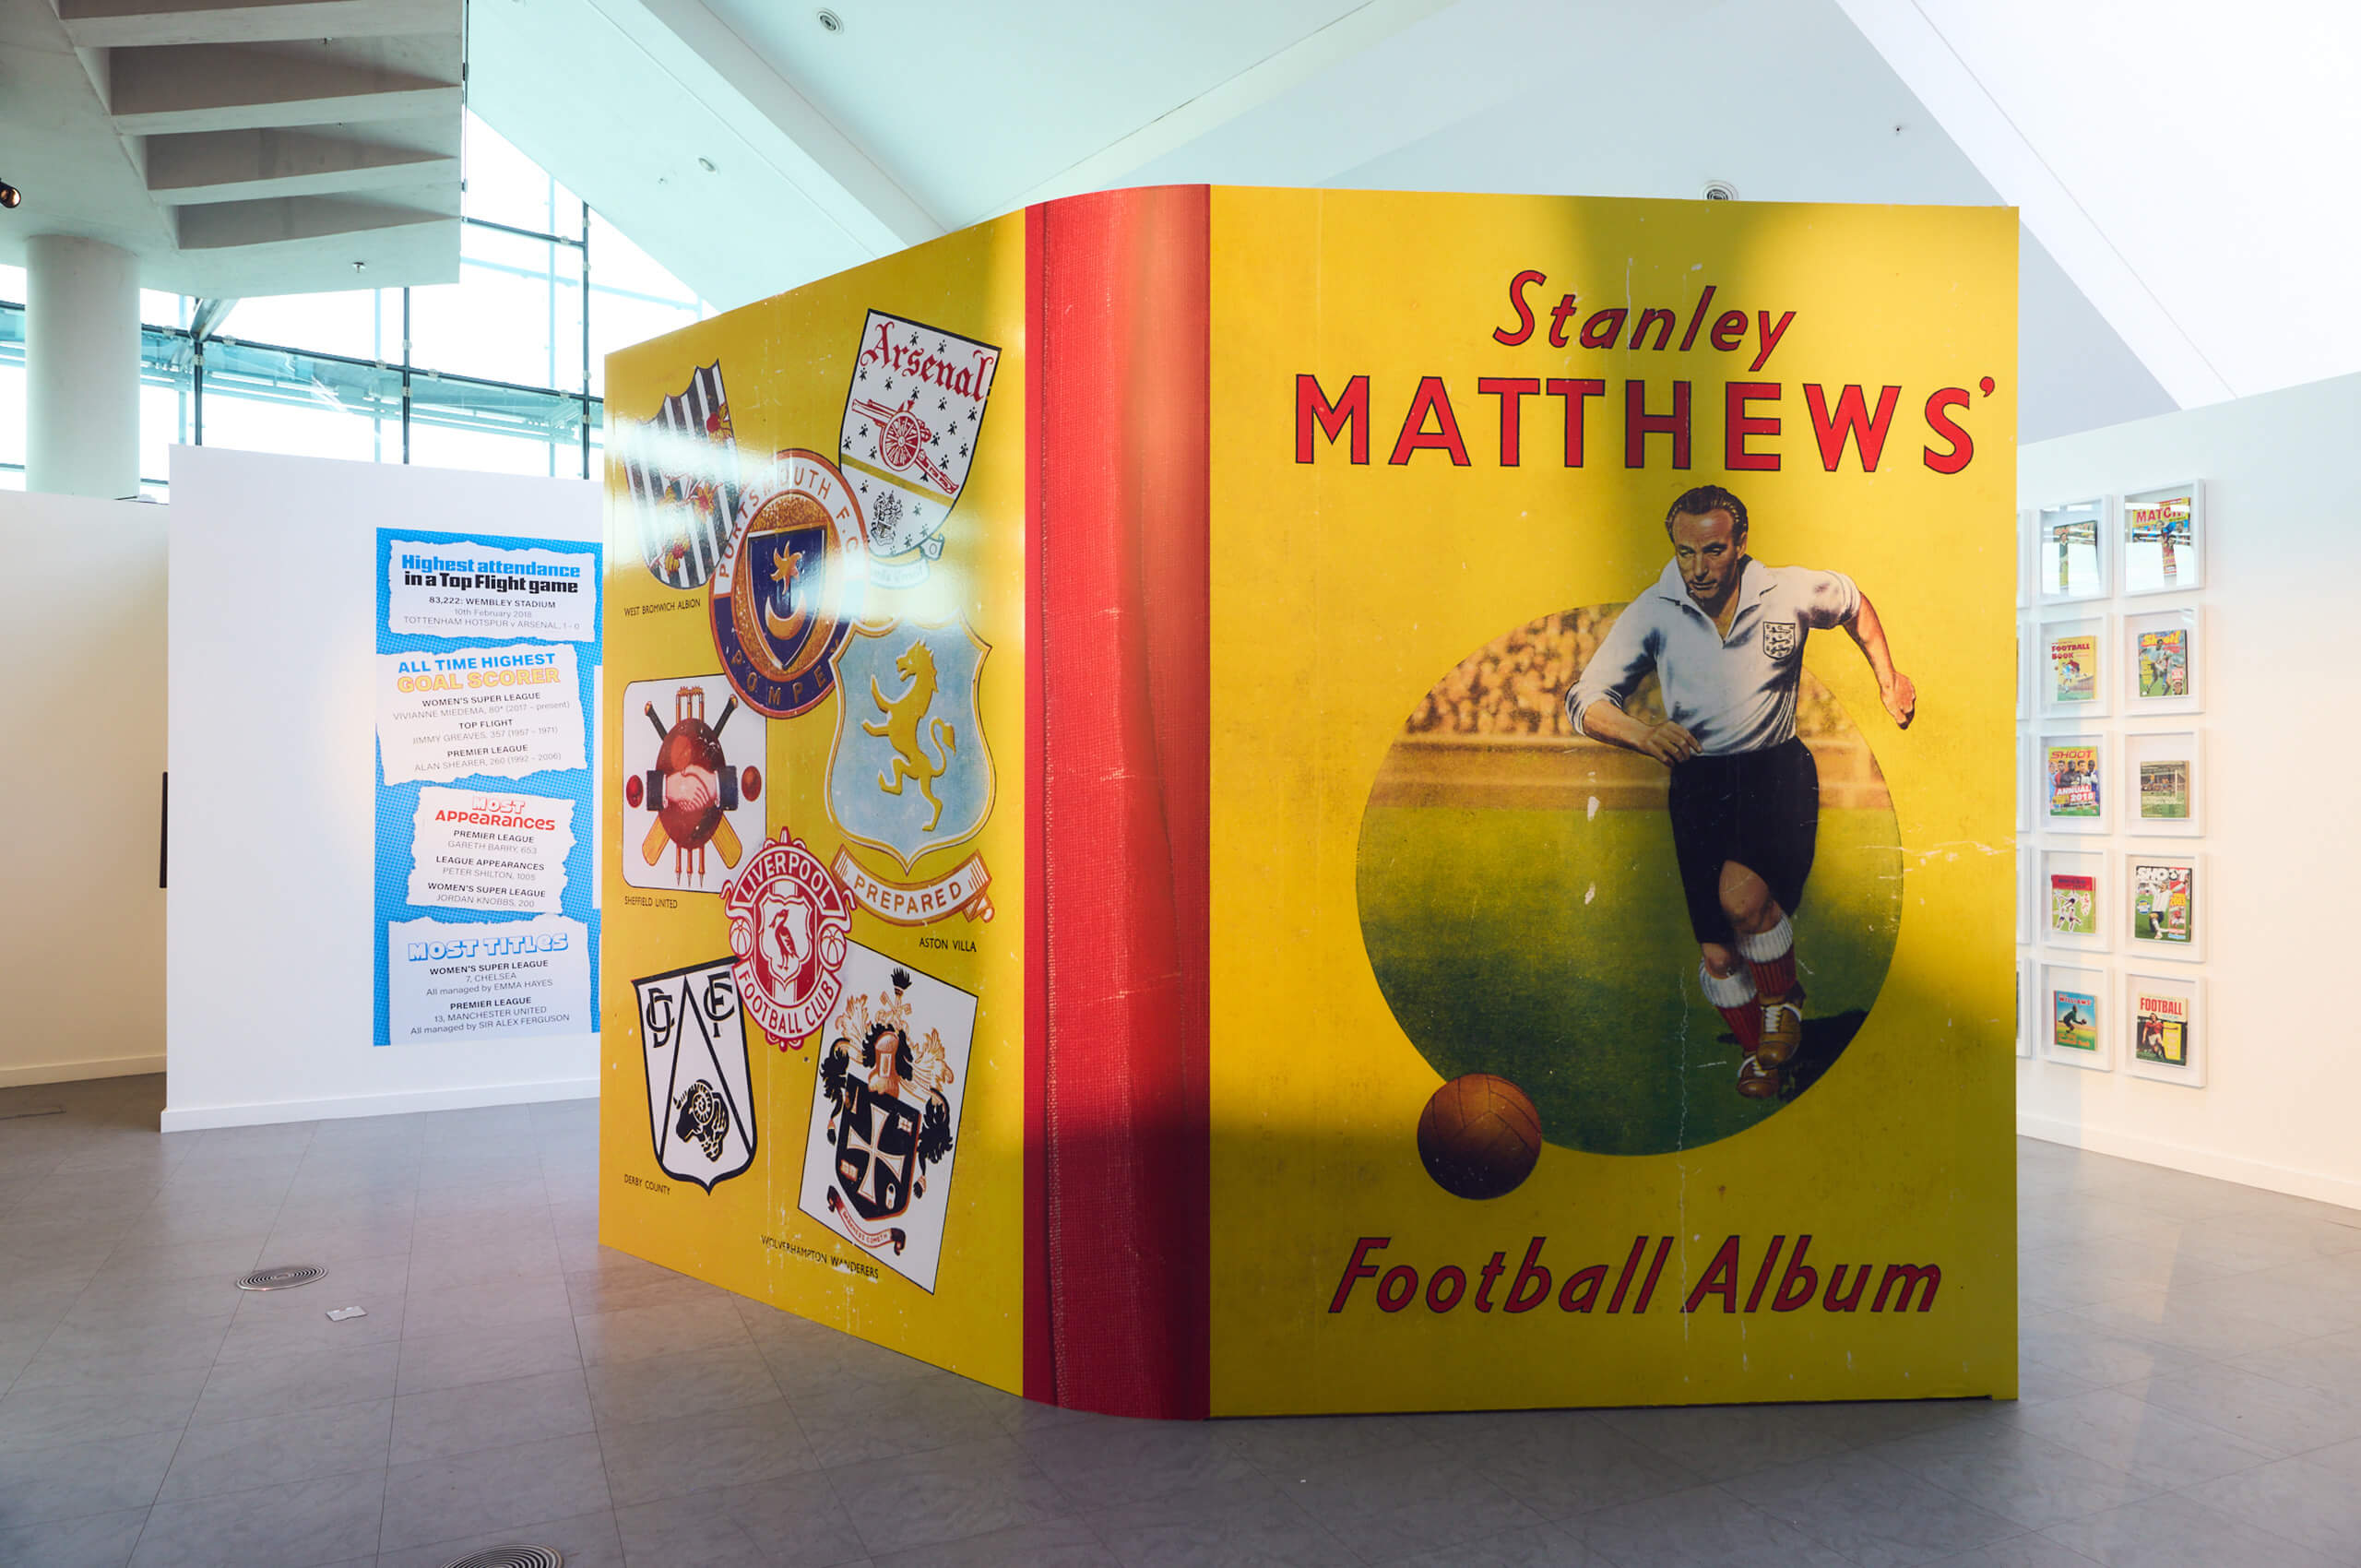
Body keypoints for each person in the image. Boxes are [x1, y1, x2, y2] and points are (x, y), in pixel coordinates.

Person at [1565, 484, 1916, 1099]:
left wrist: (1890, 678)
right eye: (1685, 553)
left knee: (1743, 899)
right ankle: (1767, 1054)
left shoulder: (1791, 590)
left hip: (1774, 773)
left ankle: (1781, 1003)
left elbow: (1855, 603)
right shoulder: (1655, 609)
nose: (1699, 568)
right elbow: (1585, 701)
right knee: (1719, 955)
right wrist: (1643, 735)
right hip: (1699, 784)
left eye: (1714, 550)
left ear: (1741, 544)